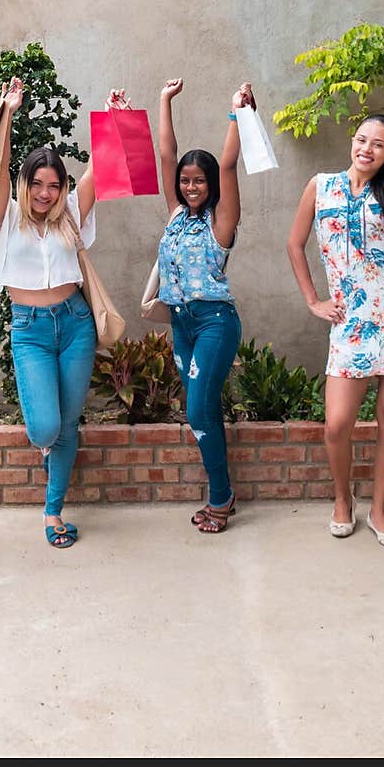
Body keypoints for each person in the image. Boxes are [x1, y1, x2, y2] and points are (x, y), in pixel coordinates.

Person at [286, 42, 384, 549]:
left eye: (379, 144)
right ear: (353, 141)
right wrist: (312, 300)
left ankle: (380, 510)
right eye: (362, 139)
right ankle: (343, 498)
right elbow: (294, 243)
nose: (367, 148)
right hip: (350, 321)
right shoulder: (320, 186)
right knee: (337, 424)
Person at [0, 76, 126, 549]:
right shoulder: (4, 218)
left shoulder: (70, 216)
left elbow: (99, 171)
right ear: (25, 185)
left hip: (75, 324)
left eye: (55, 185)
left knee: (68, 424)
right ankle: (51, 452)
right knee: (45, 426)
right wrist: (7, 111)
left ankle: (53, 511)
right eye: (38, 184)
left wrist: (111, 117)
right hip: (29, 330)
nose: (46, 193)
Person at [155, 77, 253, 535]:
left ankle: (221, 497)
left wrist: (236, 112)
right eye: (185, 181)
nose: (190, 186)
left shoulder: (221, 223)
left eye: (199, 181)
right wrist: (164, 101)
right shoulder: (176, 215)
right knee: (205, 410)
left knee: (196, 412)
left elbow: (230, 165)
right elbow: (166, 156)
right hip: (182, 324)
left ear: (210, 185)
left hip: (215, 323)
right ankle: (223, 491)